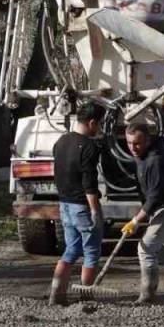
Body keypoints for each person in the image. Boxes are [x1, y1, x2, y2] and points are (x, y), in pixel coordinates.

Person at [122, 123, 164, 304]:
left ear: (147, 141)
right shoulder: (142, 157)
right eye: (129, 143)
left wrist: (136, 221)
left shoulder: (155, 161)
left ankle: (147, 294)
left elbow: (156, 196)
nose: (132, 148)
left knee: (145, 248)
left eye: (137, 143)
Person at [47, 102, 105, 306]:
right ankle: (86, 297)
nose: (99, 129)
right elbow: (89, 185)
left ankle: (56, 295)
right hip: (82, 206)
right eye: (99, 124)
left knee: (71, 249)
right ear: (92, 122)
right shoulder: (89, 147)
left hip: (64, 204)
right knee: (91, 252)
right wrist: (95, 211)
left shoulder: (61, 142)